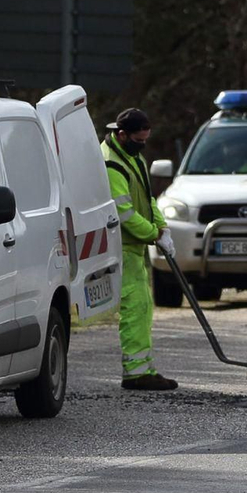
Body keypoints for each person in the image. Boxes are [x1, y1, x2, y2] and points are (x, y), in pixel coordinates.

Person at [101, 108, 177, 390]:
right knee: (134, 309)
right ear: (121, 134)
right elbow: (124, 213)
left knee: (144, 306)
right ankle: (136, 373)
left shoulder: (133, 157)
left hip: (135, 247)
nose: (142, 144)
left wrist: (162, 227)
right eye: (138, 139)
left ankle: (144, 368)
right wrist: (154, 233)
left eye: (145, 140)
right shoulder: (112, 165)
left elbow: (148, 199)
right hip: (120, 246)